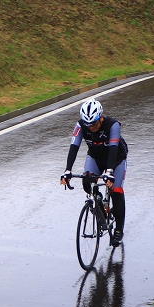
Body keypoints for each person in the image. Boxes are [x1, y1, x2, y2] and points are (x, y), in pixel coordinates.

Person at [60, 98, 127, 246]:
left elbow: (113, 149)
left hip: (116, 159)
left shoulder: (113, 125)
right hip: (95, 157)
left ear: (101, 117)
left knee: (116, 190)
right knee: (87, 181)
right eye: (88, 125)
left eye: (95, 124)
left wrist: (109, 172)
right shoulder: (80, 125)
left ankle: (118, 230)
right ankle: (100, 204)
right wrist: (67, 170)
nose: (92, 128)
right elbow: (74, 147)